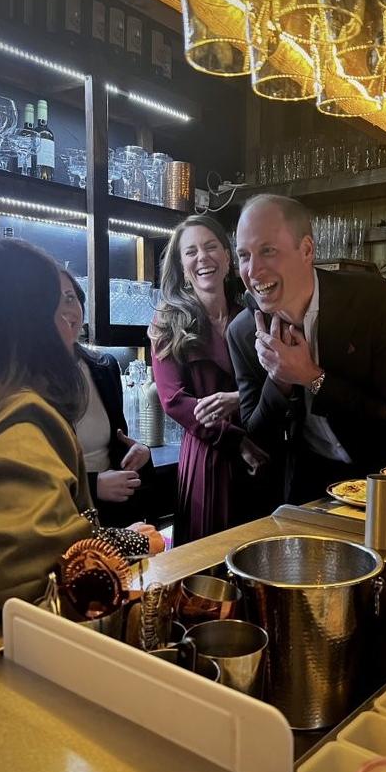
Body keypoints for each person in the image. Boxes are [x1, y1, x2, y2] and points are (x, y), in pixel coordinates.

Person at [0, 237, 163, 611]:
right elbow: (36, 579)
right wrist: (124, 546)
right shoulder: (17, 420)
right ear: (24, 322)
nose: (68, 314)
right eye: (52, 304)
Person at [227, 194, 386, 505]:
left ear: (307, 250)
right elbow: (258, 438)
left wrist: (312, 377)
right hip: (316, 486)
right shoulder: (243, 331)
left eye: (268, 251)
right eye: (244, 255)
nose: (253, 271)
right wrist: (279, 380)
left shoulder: (378, 302)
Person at [149, 214, 268, 545]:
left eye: (211, 246)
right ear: (182, 265)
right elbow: (174, 401)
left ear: (227, 257)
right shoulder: (167, 321)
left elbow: (276, 380)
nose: (202, 257)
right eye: (191, 252)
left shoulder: (251, 315)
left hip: (262, 449)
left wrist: (238, 402)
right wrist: (236, 441)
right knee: (209, 572)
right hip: (210, 458)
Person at [58, 269, 156, 527]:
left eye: (69, 298)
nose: (64, 310)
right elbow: (26, 476)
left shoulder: (104, 367)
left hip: (114, 519)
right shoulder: (22, 380)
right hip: (60, 524)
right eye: (50, 302)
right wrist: (92, 486)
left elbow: (117, 440)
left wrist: (141, 453)